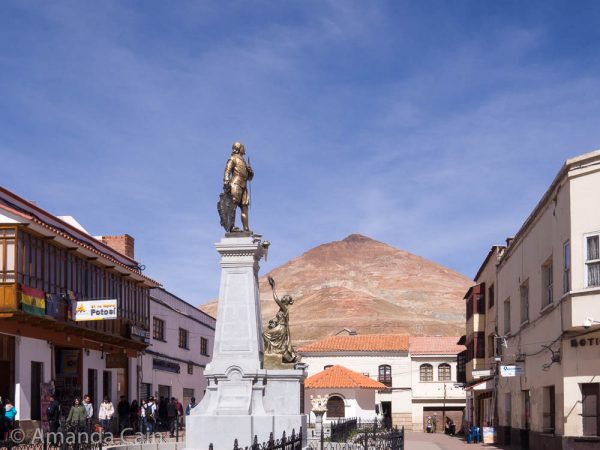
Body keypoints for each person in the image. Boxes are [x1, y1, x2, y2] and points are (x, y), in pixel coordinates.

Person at [262, 276, 297, 363]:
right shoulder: (282, 310)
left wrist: (273, 288)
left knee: (265, 334)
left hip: (281, 328)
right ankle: (271, 352)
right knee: (265, 334)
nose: (283, 297)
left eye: (285, 297)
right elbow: (279, 319)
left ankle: (271, 351)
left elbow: (276, 299)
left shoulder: (285, 308)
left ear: (286, 301)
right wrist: (273, 322)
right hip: (280, 327)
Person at [222, 141, 254, 232]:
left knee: (245, 207)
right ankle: (231, 227)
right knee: (233, 205)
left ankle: (246, 228)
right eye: (242, 147)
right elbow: (227, 170)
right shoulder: (233, 158)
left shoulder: (244, 162)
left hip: (244, 186)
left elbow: (249, 178)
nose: (244, 149)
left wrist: (250, 172)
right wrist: (226, 182)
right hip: (235, 184)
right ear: (238, 148)